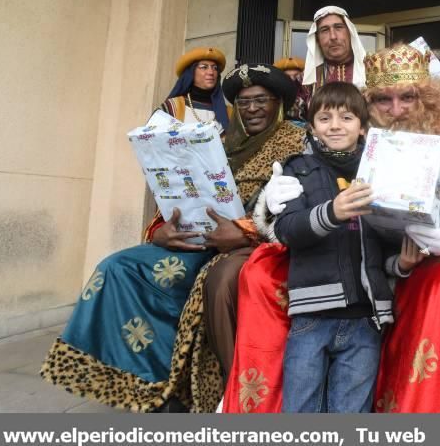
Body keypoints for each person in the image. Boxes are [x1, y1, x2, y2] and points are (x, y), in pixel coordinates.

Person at [223, 43, 440, 413]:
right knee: (258, 272)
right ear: (368, 109)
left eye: (408, 97)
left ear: (428, 98)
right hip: (338, 269)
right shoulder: (335, 140)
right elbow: (291, 208)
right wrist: (268, 208)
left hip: (416, 261)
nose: (396, 110)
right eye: (383, 100)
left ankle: (417, 404)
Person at [41, 62, 305, 412]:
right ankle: (152, 384)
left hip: (252, 247)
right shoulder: (217, 141)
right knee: (118, 268)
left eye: (261, 100)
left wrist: (244, 232)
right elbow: (176, 196)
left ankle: (228, 395)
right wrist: (162, 232)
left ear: (278, 103)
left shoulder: (296, 142)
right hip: (193, 241)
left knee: (215, 279)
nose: (252, 108)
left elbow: (298, 210)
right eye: (243, 102)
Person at [275, 82, 404, 412]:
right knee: (300, 411)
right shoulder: (298, 168)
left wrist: (400, 265)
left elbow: (383, 243)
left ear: (362, 127)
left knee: (352, 413)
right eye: (324, 117)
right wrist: (332, 212)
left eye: (346, 117)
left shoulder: (379, 172)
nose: (335, 125)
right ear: (312, 126)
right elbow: (286, 229)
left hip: (365, 316)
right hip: (312, 315)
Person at [160, 47, 230, 132]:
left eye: (215, 68)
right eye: (204, 67)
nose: (211, 72)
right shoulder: (172, 107)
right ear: (191, 73)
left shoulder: (229, 113)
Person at [274, 57, 307, 124]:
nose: (292, 79)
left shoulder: (307, 92)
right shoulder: (275, 92)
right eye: (288, 76)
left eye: (296, 76)